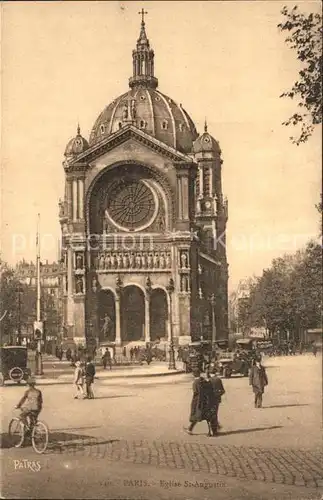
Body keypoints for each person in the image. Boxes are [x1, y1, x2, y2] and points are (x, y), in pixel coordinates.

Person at [207, 367, 225, 436]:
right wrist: (218, 395)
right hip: (217, 400)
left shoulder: (208, 381)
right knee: (215, 414)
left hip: (210, 400)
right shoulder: (218, 380)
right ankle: (214, 430)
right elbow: (223, 390)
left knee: (210, 415)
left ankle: (211, 431)